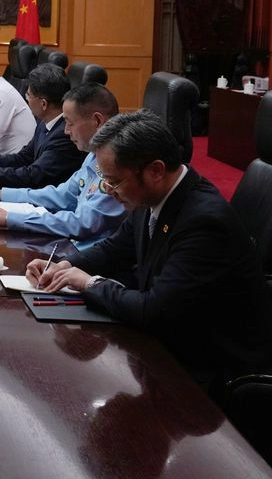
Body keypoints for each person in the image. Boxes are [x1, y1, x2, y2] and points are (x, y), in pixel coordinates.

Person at [27, 110, 272, 390]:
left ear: (155, 170)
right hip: (170, 345)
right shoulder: (153, 196)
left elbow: (154, 311)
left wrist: (89, 283)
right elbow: (114, 249)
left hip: (209, 372)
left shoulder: (205, 222)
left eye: (114, 181)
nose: (108, 190)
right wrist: (66, 265)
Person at [0, 82, 126, 246]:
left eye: (70, 123)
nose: (66, 131)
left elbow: (82, 224)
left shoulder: (118, 164)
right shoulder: (93, 155)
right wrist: (3, 194)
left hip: (89, 254)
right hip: (72, 246)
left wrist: (12, 218)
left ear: (97, 121)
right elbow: (61, 196)